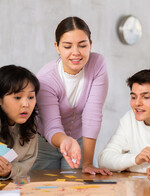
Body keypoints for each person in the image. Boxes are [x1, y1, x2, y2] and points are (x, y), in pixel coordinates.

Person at [31, 16, 111, 175]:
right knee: (42, 191)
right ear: (57, 47)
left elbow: (92, 114)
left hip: (78, 142)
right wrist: (65, 141)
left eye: (82, 45)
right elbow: (51, 125)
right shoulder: (46, 79)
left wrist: (87, 162)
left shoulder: (97, 64)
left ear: (91, 45)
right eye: (67, 46)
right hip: (45, 143)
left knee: (76, 190)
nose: (76, 53)